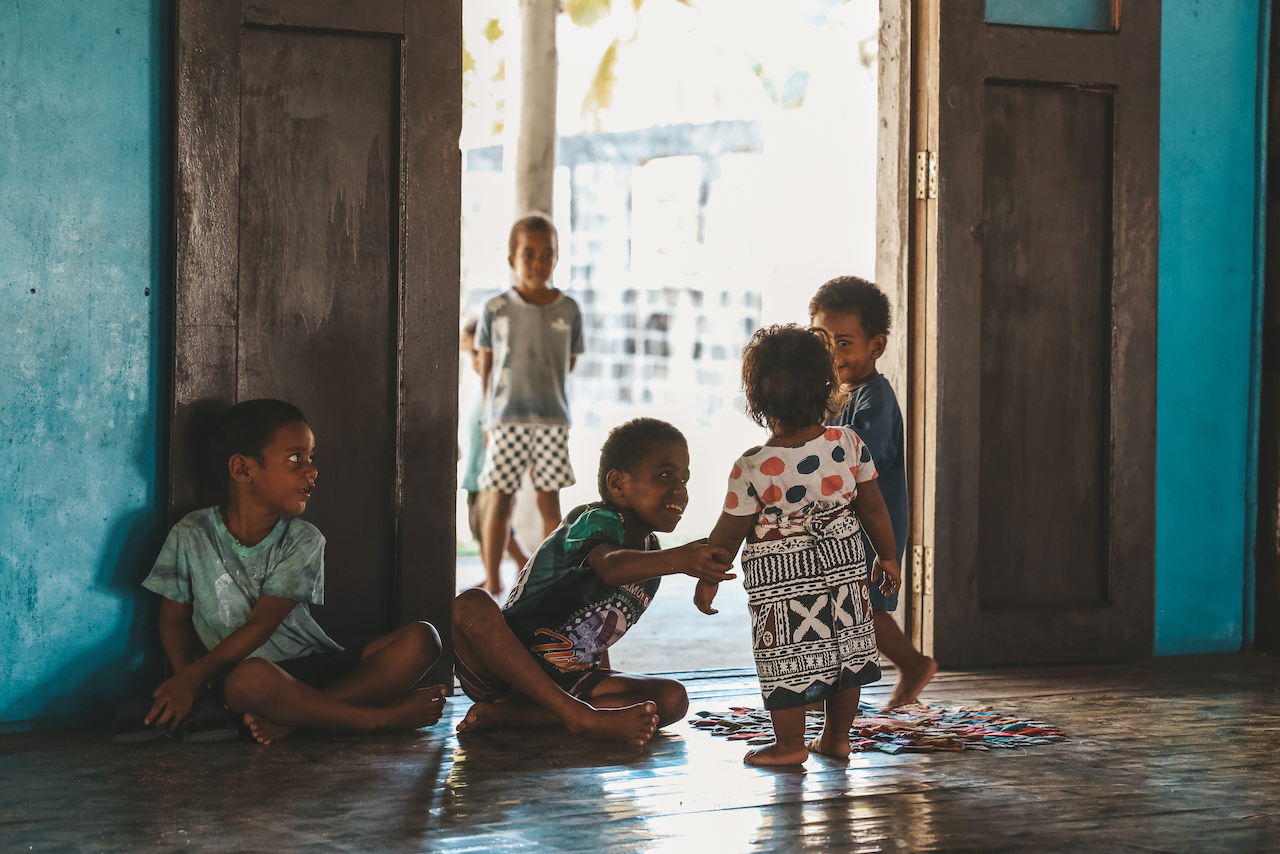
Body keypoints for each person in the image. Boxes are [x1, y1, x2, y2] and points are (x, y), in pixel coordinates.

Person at [138, 399, 446, 745]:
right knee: (250, 679)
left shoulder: (303, 539)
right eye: (295, 458)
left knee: (424, 639)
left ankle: (302, 720)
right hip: (248, 680)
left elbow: (261, 625)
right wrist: (190, 682)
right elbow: (173, 619)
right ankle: (374, 718)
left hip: (313, 667)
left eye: (312, 458)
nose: (311, 470)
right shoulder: (190, 533)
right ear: (243, 469)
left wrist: (190, 679)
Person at [451, 418, 736, 745]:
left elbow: (598, 634)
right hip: (505, 668)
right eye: (665, 475)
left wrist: (601, 677)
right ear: (618, 484)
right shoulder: (594, 519)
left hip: (570, 680)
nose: (680, 489)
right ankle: (579, 717)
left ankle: (523, 716)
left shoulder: (651, 556)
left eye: (684, 479)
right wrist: (682, 559)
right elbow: (611, 566)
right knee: (471, 605)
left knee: (672, 699)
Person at [694, 325, 902, 766]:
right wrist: (887, 556)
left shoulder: (752, 467)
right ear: (828, 388)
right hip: (844, 565)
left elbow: (728, 533)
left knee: (784, 658)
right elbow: (874, 511)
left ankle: (790, 745)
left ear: (756, 398)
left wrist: (707, 579)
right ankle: (836, 739)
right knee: (848, 649)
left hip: (782, 580)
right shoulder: (848, 445)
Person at [810, 276, 936, 709]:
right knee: (843, 605)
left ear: (875, 347)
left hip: (871, 521)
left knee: (862, 605)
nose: (832, 353)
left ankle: (914, 664)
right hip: (841, 524)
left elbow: (860, 459)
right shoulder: (833, 394)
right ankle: (821, 692)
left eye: (843, 343)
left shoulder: (874, 400)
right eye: (822, 340)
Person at [476, 213, 583, 596]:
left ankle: (553, 576)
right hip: (505, 419)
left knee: (549, 502)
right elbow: (486, 369)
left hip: (553, 421)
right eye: (528, 254)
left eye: (547, 254)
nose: (538, 262)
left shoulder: (568, 310)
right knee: (499, 501)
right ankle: (492, 579)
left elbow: (568, 362)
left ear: (557, 258)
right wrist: (488, 422)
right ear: (511, 259)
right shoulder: (495, 309)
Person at [460, 317, 529, 577]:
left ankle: (497, 579)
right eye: (473, 353)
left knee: (496, 526)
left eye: (483, 352)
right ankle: (498, 576)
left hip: (492, 474)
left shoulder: (503, 389)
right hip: (473, 473)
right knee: (480, 528)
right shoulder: (479, 389)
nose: (478, 359)